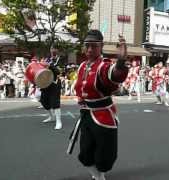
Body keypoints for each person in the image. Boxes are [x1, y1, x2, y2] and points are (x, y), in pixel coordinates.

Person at [73, 30, 128, 180]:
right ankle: (98, 177)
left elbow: (115, 75)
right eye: (87, 46)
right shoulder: (82, 65)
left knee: (104, 154)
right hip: (86, 116)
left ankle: (100, 175)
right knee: (85, 152)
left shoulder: (104, 65)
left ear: (101, 46)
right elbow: (80, 89)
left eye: (94, 46)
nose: (90, 49)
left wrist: (121, 61)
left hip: (103, 117)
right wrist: (81, 100)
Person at [40, 49, 63, 130]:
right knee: (43, 100)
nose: (53, 51)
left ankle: (58, 121)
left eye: (55, 49)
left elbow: (58, 72)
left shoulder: (60, 60)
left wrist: (49, 65)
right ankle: (51, 116)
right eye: (51, 49)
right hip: (45, 83)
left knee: (55, 102)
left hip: (55, 83)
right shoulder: (47, 59)